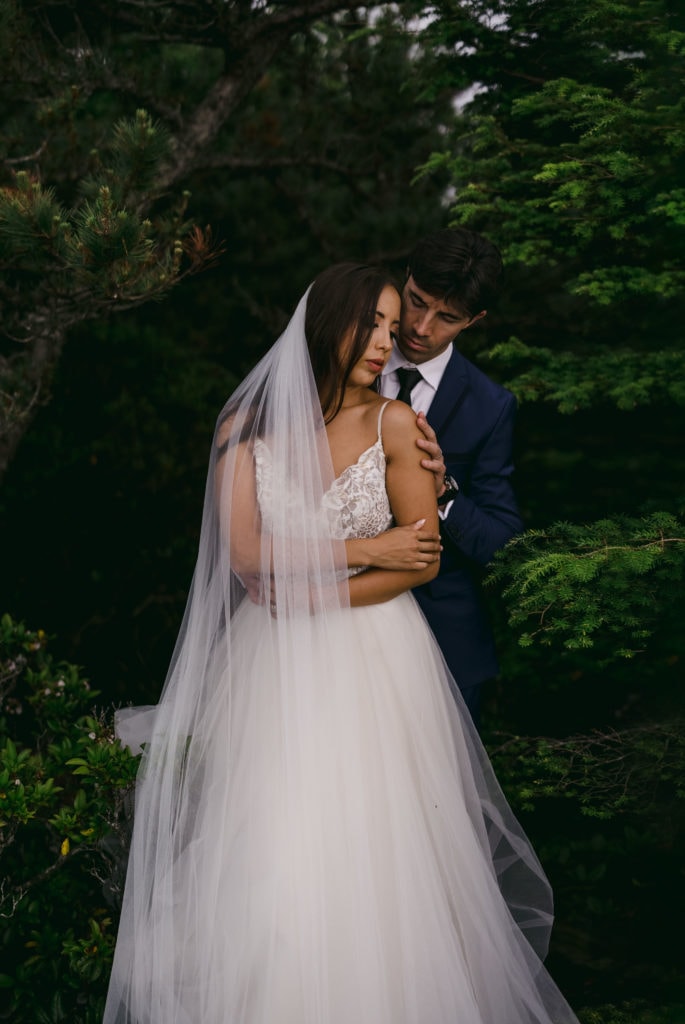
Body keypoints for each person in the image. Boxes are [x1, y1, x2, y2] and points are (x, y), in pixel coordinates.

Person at [104, 264, 578, 1023]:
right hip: (268, 662)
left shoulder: (398, 426)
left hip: (376, 657)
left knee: (376, 839)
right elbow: (250, 558)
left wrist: (319, 590)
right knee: (270, 833)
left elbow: (418, 558)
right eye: (377, 324)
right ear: (327, 323)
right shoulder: (244, 428)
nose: (388, 341)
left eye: (395, 328)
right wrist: (368, 548)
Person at [380, 228, 523, 724]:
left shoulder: (491, 407)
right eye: (416, 301)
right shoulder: (341, 362)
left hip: (441, 643)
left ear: (474, 321)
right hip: (328, 621)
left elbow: (504, 544)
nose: (420, 326)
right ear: (406, 278)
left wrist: (443, 494)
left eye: (447, 317)